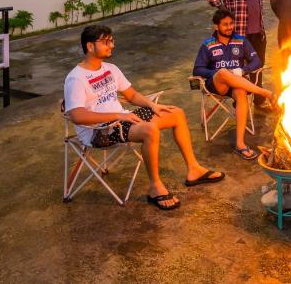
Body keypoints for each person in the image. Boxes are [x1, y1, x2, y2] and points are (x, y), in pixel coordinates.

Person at [64, 24, 223, 211]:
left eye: (112, 40)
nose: (112, 45)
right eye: (106, 42)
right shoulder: (76, 78)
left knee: (176, 114)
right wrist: (118, 115)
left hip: (122, 120)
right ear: (90, 46)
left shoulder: (110, 68)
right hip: (98, 131)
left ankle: (194, 170)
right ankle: (155, 187)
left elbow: (131, 95)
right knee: (150, 130)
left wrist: (152, 105)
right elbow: (77, 116)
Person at [203, 0, 291, 109]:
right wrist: (221, 7)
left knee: (257, 67)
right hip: (238, 36)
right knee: (237, 69)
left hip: (258, 34)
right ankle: (239, 101)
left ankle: (259, 102)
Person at [193, 9, 276, 161]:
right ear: (216, 26)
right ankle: (266, 94)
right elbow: (198, 69)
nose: (230, 27)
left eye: (231, 23)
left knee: (241, 93)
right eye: (225, 24)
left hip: (238, 84)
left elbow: (256, 61)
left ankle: (240, 144)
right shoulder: (208, 45)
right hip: (217, 85)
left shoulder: (241, 40)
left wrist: (242, 70)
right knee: (223, 72)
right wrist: (219, 73)